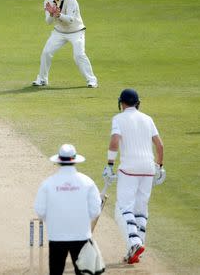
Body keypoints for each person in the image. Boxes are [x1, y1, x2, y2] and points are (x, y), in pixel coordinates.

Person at [102, 88, 165, 264]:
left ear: (121, 103)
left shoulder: (118, 119)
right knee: (140, 209)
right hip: (149, 168)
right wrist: (160, 167)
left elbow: (115, 140)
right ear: (137, 102)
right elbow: (160, 146)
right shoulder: (148, 118)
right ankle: (137, 248)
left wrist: (109, 165)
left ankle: (135, 243)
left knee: (123, 208)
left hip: (129, 168)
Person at [34, 144, 102, 275]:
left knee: (56, 271)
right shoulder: (87, 182)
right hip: (82, 235)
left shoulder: (48, 183)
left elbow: (40, 210)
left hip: (56, 236)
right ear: (75, 160)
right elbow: (95, 211)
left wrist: (54, 220)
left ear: (59, 161)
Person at [31, 0, 98, 88]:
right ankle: (42, 79)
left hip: (76, 31)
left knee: (78, 55)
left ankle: (92, 80)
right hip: (59, 32)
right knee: (46, 52)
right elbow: (48, 22)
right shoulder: (48, 0)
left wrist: (58, 15)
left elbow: (71, 20)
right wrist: (52, 14)